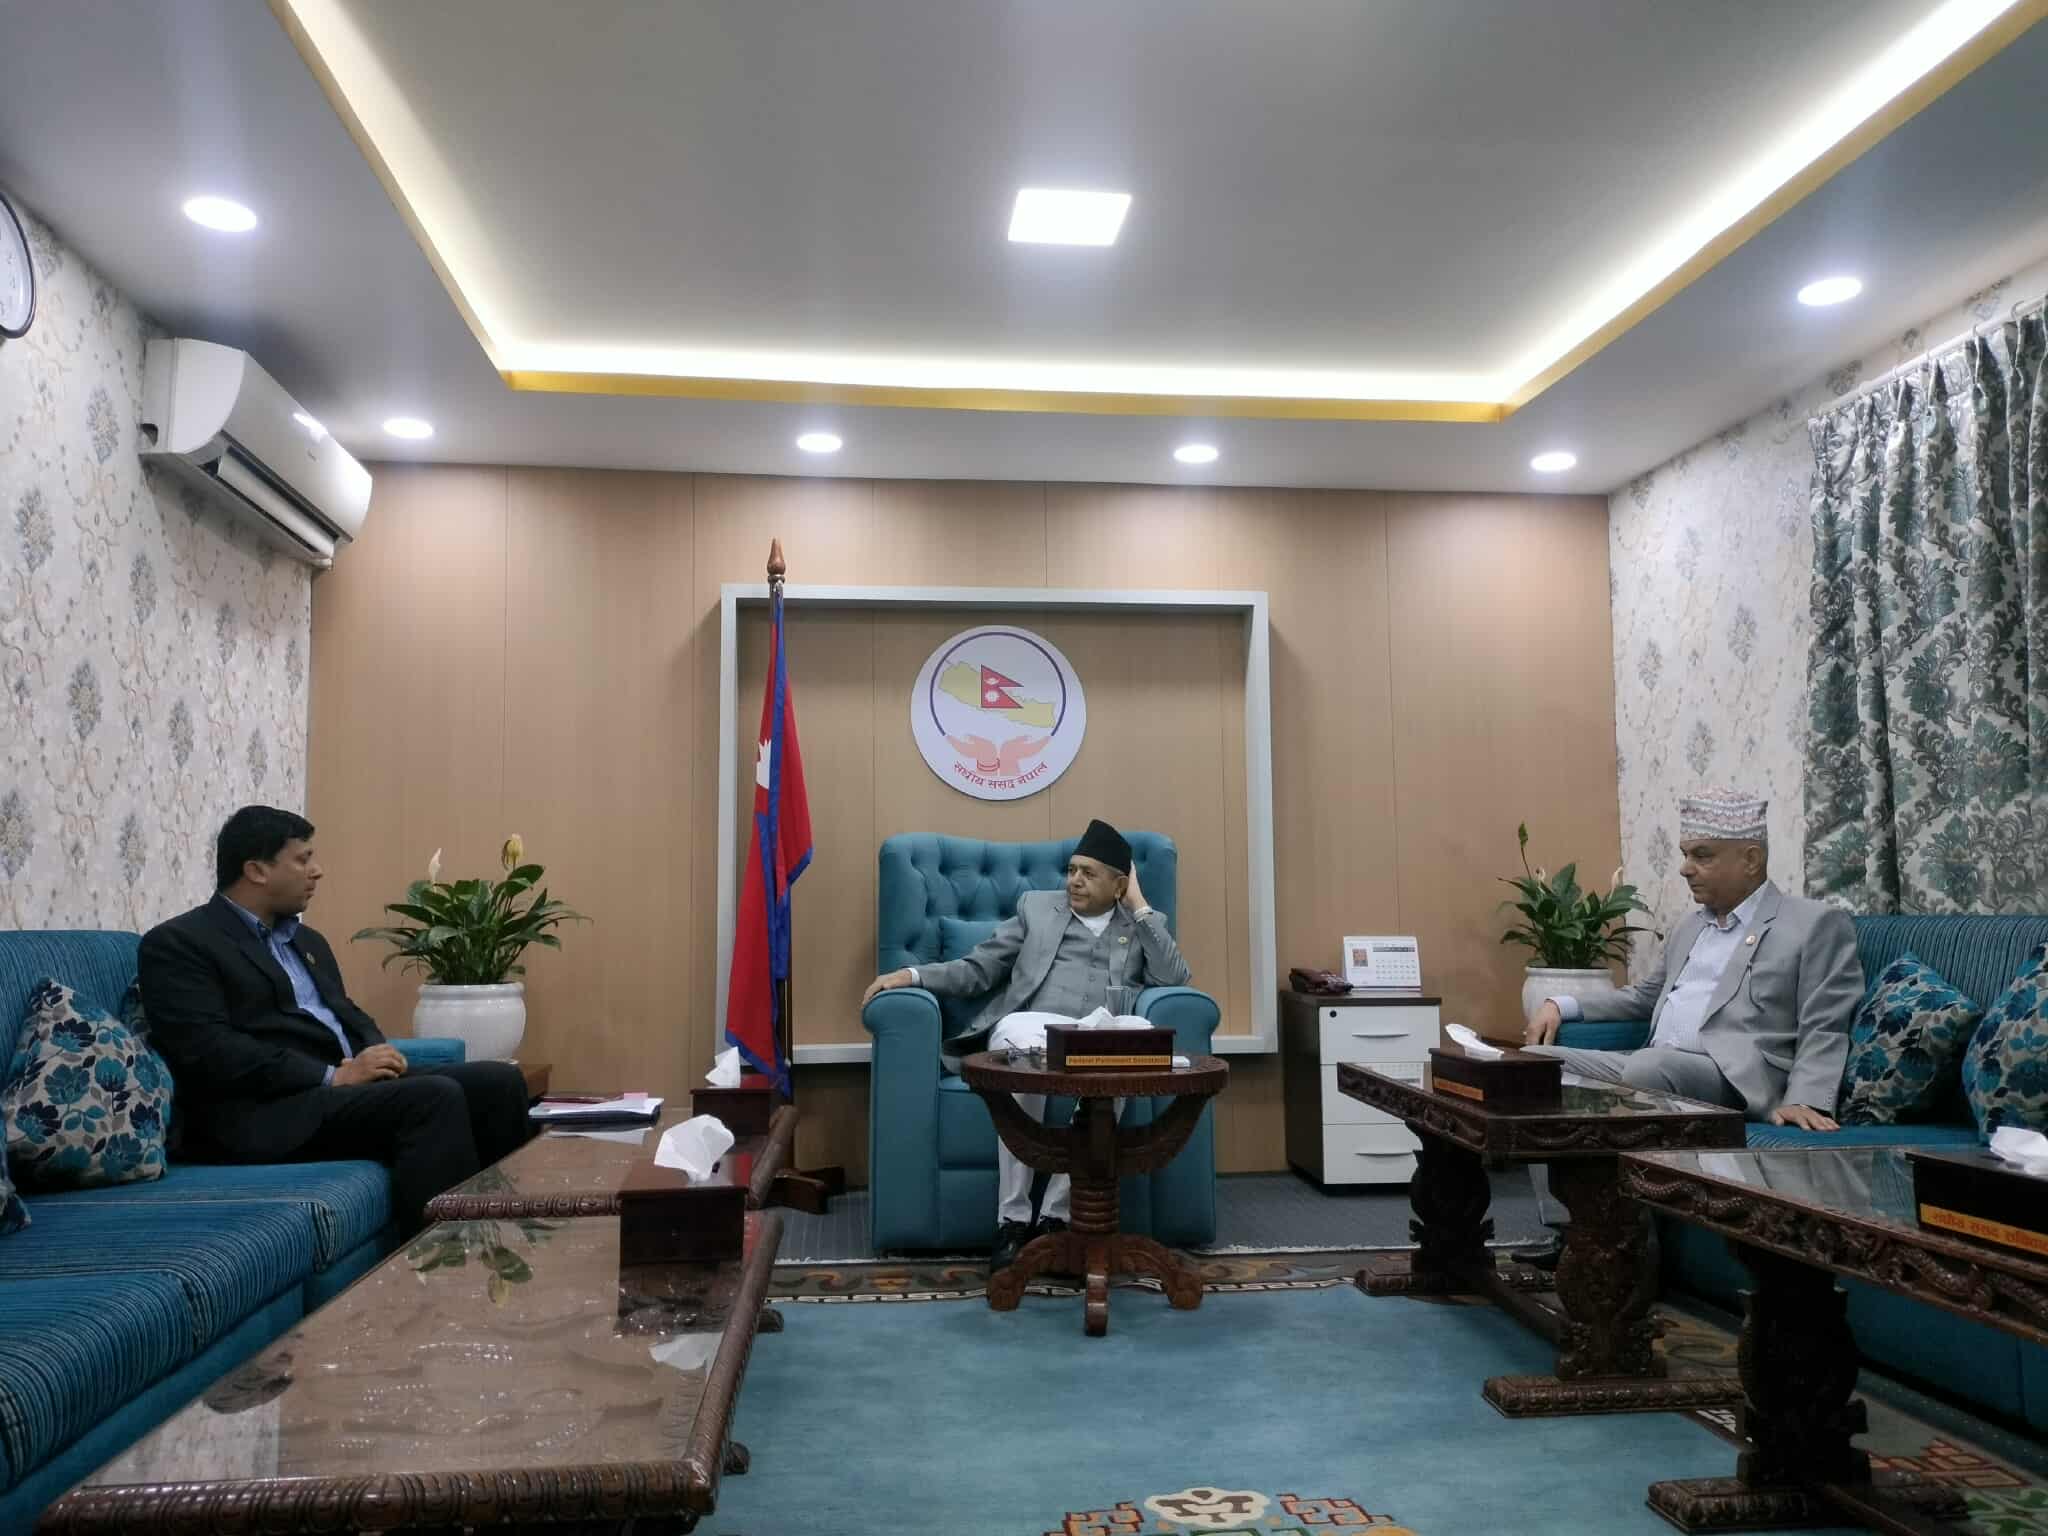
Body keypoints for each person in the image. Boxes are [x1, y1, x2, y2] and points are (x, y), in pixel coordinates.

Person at [138, 806, 531, 1234]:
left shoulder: (306, 940)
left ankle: (504, 1236)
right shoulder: (179, 944)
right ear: (256, 871)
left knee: (499, 1083)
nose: (317, 871)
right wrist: (332, 1076)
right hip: (265, 1111)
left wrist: (376, 1052)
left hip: (338, 1090)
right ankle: (440, 1255)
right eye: (303, 859)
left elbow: (345, 1012)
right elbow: (210, 1051)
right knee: (433, 1098)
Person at [1517, 786, 1861, 1250]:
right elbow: (1644, 997)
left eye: (1701, 855)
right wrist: (1561, 1004)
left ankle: (1630, 1242)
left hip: (1735, 1077)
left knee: (1649, 1067)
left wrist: (1808, 1098)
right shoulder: (1691, 924)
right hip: (1654, 1064)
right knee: (1532, 1067)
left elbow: (1826, 1019)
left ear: (1751, 859)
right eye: (1684, 854)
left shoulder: (1812, 923)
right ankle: (1571, 1232)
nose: (1684, 868)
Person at [861, 819, 1190, 1272]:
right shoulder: (1036, 908)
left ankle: (1056, 1217)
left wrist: (1138, 905)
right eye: (1072, 870)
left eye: (1089, 873)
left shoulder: (1138, 925)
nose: (1074, 880)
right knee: (1022, 1052)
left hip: (1099, 1032)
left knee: (1120, 1058)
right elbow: (978, 968)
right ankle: (1013, 1220)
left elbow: (1174, 977)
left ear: (1119, 885)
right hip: (1033, 1026)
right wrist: (912, 975)